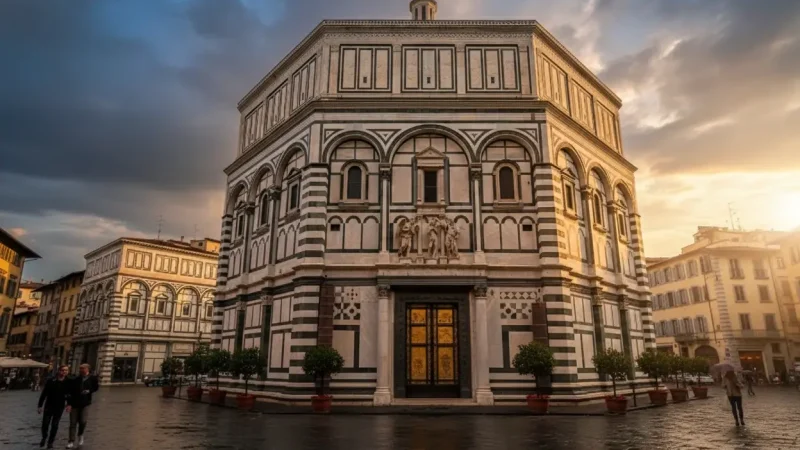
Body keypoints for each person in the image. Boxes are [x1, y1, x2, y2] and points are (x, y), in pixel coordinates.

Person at [37, 365, 71, 449]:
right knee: (45, 424)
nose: (64, 372)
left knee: (55, 425)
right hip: (49, 405)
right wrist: (40, 405)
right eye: (63, 370)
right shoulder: (51, 380)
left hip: (59, 406)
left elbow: (69, 394)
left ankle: (50, 442)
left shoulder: (68, 382)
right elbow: (44, 393)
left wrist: (69, 404)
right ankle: (44, 437)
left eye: (66, 370)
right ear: (59, 371)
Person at [67, 364, 99, 448]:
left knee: (83, 421)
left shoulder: (93, 378)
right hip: (74, 403)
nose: (81, 370)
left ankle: (80, 434)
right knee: (73, 423)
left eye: (82, 368)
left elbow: (96, 388)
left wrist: (89, 391)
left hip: (85, 403)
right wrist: (69, 404)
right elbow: (70, 392)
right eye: (80, 368)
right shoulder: (76, 379)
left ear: (87, 369)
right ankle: (71, 440)